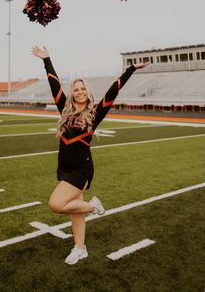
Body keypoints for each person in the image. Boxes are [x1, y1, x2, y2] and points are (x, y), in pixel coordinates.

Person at [32, 45, 149, 265]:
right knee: (75, 211)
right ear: (72, 93)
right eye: (76, 89)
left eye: (83, 89)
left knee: (56, 204)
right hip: (64, 169)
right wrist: (47, 59)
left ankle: (94, 207)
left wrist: (130, 69)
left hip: (81, 170)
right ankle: (80, 248)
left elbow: (113, 92)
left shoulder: (94, 114)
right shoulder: (64, 109)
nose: (80, 92)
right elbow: (54, 84)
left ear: (88, 92)